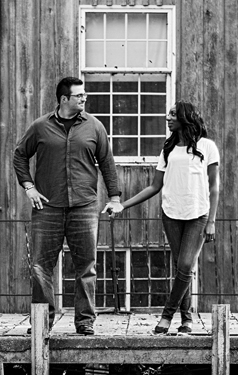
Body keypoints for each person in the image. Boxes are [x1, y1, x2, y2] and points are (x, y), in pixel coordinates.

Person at [12, 77, 124, 336]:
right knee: (41, 266)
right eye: (79, 96)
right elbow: (20, 155)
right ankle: (42, 321)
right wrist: (29, 187)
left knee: (86, 266)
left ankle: (85, 322)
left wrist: (115, 197)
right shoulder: (40, 127)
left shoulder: (94, 126)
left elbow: (107, 162)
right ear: (64, 99)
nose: (84, 99)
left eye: (84, 95)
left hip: (84, 206)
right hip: (47, 207)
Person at [112, 102, 220, 335]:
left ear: (185, 117)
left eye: (172, 114)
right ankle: (187, 320)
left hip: (198, 215)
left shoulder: (207, 147)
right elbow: (154, 186)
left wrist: (212, 220)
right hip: (171, 214)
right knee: (183, 268)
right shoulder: (168, 150)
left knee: (185, 265)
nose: (167, 117)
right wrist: (123, 205)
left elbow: (215, 187)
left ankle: (166, 316)